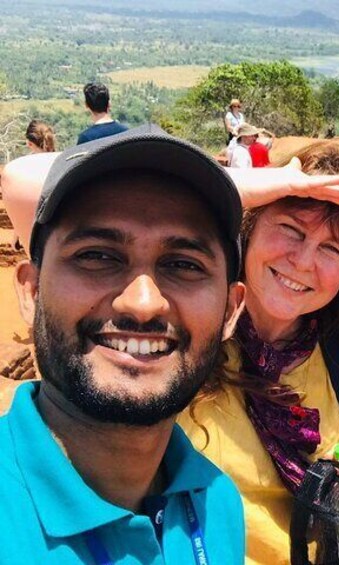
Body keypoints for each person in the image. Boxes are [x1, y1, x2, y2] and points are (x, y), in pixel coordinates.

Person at [176, 142, 339, 564]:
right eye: (291, 230)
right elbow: (37, 195)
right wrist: (239, 185)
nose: (302, 261)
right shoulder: (183, 332)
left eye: (331, 249)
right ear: (250, 226)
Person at [0, 125, 247, 563]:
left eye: (183, 264)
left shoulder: (217, 503)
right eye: (97, 255)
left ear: (230, 310)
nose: (143, 304)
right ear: (31, 291)